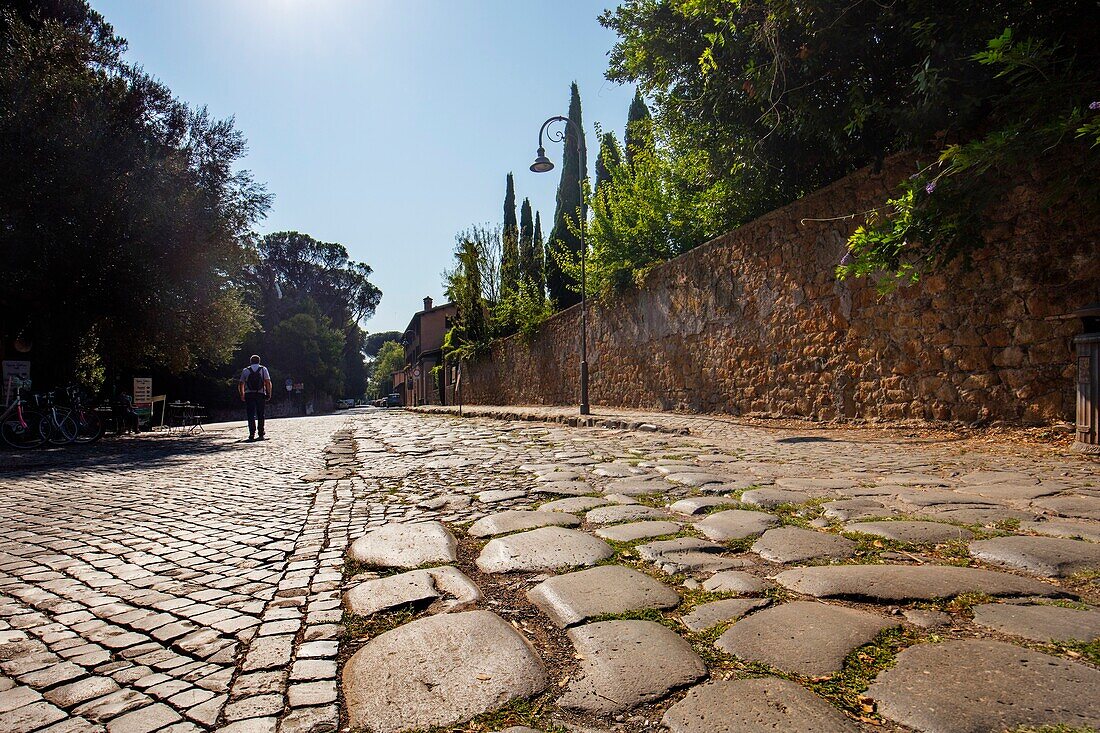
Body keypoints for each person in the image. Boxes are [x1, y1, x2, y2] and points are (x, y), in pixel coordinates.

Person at [238, 355, 272, 441]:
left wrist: (242, 394)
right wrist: (269, 393)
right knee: (261, 414)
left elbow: (241, 384)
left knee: (250, 414)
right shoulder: (263, 369)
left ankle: (251, 433)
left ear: (250, 361)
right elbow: (267, 382)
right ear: (259, 361)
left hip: (249, 394)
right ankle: (261, 432)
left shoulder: (245, 370)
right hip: (260, 394)